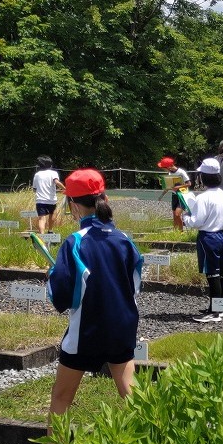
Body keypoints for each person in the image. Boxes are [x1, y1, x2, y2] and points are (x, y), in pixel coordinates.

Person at [47, 168, 143, 424]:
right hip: (122, 326)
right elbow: (134, 287)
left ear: (73, 206)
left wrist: (52, 276)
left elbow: (60, 295)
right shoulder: (125, 241)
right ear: (105, 199)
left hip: (86, 330)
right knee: (132, 395)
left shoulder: (75, 242)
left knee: (61, 399)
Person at [176, 158, 223, 323]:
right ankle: (221, 307)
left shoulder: (203, 198)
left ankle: (214, 312)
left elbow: (197, 221)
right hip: (221, 235)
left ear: (204, 177)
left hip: (208, 237)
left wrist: (184, 217)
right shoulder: (222, 194)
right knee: (221, 273)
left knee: (212, 274)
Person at [32, 155, 65, 234]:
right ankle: (50, 230)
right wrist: (64, 188)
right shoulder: (53, 173)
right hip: (51, 200)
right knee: (52, 214)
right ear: (50, 164)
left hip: (40, 200)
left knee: (41, 219)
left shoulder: (37, 174)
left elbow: (34, 189)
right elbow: (57, 182)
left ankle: (41, 236)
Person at [157, 156, 192, 231]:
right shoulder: (169, 173)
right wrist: (162, 195)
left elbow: (189, 184)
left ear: (169, 167)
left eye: (164, 167)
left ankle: (181, 231)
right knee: (174, 217)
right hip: (174, 196)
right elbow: (168, 186)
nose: (163, 169)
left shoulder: (181, 172)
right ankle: (175, 232)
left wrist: (178, 187)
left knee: (177, 214)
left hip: (182, 195)